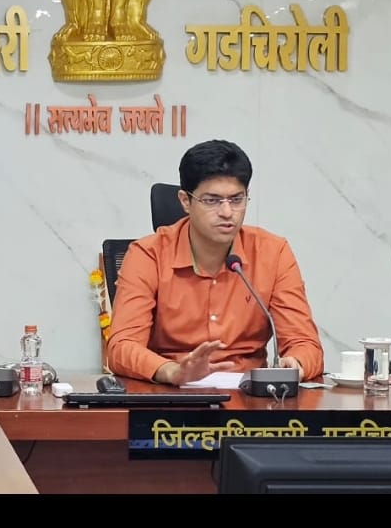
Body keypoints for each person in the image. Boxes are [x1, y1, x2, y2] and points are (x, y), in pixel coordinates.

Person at [105, 139, 324, 386]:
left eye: (236, 199)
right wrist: (172, 371)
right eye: (212, 200)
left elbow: (305, 343)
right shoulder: (148, 255)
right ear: (185, 201)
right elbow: (121, 347)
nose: (227, 212)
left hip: (250, 398)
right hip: (170, 394)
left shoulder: (273, 253)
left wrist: (296, 363)